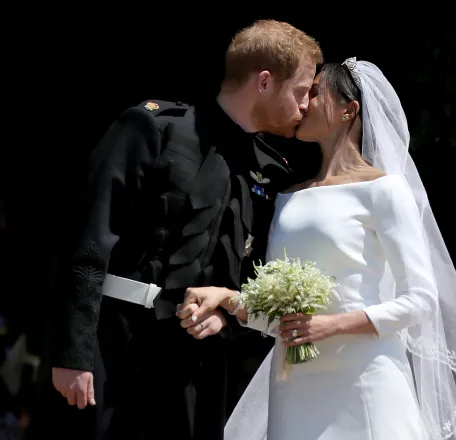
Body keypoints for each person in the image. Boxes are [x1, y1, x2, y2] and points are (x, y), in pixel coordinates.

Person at [177, 59, 456, 440]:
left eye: (315, 92)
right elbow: (282, 322)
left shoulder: (384, 190)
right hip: (294, 388)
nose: (304, 103)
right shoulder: (287, 197)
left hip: (365, 379)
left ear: (349, 110)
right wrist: (229, 299)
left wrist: (330, 325)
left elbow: (421, 300)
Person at [46, 19, 323, 440]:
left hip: (199, 368)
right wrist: (73, 354)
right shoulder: (153, 128)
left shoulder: (270, 171)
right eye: (301, 91)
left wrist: (226, 322)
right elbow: (88, 241)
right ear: (264, 82)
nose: (305, 106)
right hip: (114, 347)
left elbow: (253, 277)